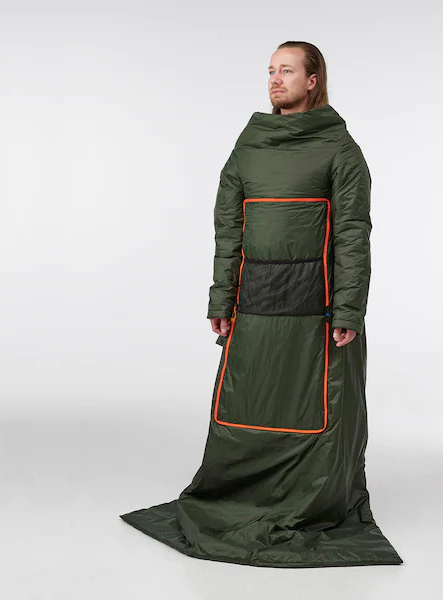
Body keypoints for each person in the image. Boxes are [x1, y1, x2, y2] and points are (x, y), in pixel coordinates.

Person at [120, 40, 403, 568]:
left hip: (318, 315)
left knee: (318, 412)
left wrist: (348, 309)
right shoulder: (248, 146)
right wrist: (221, 297)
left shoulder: (340, 150)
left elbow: (353, 234)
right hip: (254, 309)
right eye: (271, 70)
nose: (275, 79)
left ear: (313, 80)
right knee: (248, 408)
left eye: (287, 70)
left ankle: (311, 498)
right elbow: (228, 229)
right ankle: (240, 494)